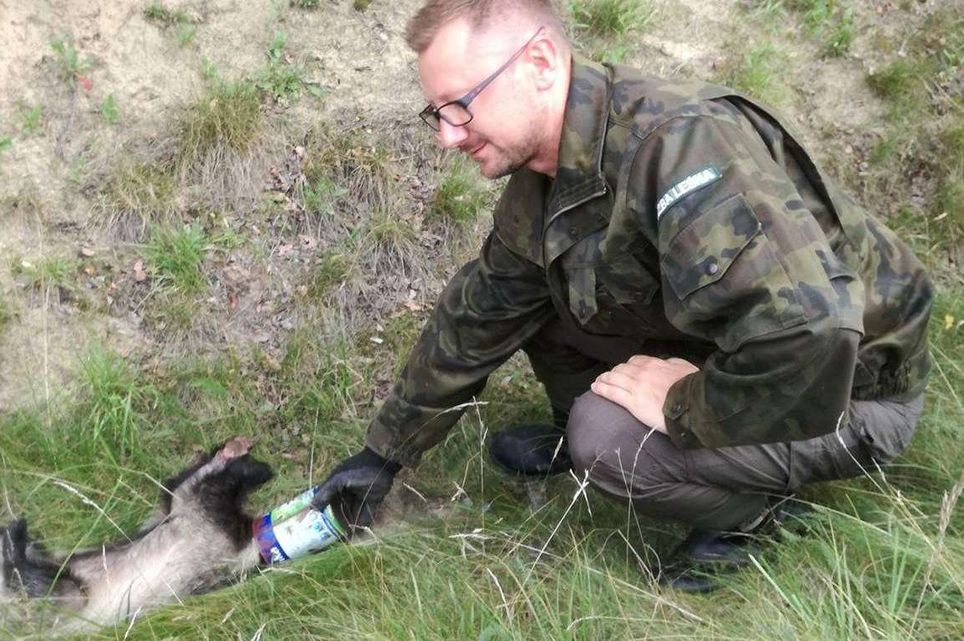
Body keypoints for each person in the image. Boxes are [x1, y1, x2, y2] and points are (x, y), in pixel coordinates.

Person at [311, 0, 933, 592]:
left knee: (602, 436)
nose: (448, 136)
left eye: (461, 105)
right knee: (547, 294)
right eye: (436, 113)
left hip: (850, 391)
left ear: (540, 64)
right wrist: (383, 455)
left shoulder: (681, 148)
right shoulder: (552, 174)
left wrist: (686, 405)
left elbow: (812, 332)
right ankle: (626, 431)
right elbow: (482, 310)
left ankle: (750, 513)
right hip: (748, 347)